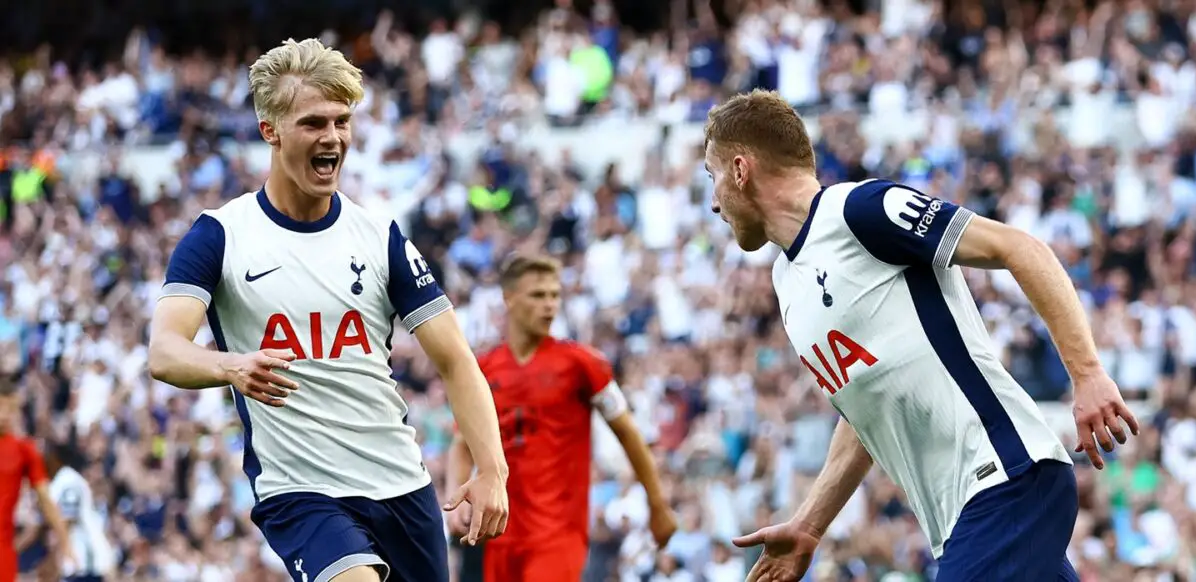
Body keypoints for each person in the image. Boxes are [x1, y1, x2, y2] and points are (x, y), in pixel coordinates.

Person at [701, 90, 1140, 582]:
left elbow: (1018, 247)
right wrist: (809, 524)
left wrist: (1088, 373)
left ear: (741, 169)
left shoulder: (861, 210)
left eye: (711, 176)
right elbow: (867, 406)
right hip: (964, 521)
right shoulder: (787, 285)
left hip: (1005, 477)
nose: (714, 201)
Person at [147, 38, 509, 582]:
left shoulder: (378, 237)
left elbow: (456, 359)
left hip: (400, 485)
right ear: (270, 130)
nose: (333, 138)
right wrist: (229, 365)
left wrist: (492, 469)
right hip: (302, 492)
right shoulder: (219, 236)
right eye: (314, 123)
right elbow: (164, 350)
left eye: (342, 122)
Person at [446, 255, 678, 582]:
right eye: (538, 295)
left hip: (558, 535)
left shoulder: (583, 364)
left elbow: (628, 432)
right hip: (498, 535)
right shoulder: (483, 369)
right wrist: (456, 498)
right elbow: (461, 443)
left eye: (555, 295)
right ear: (509, 298)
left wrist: (658, 504)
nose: (549, 305)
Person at [0, 379, 74, 582]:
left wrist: (65, 541)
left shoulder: (24, 451)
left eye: (12, 408)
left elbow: (45, 499)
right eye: (2, 407)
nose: (6, 415)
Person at [44, 444, 114, 582]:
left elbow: (67, 520)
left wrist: (54, 560)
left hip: (82, 566)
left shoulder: (69, 482)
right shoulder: (72, 483)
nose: (98, 474)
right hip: (81, 566)